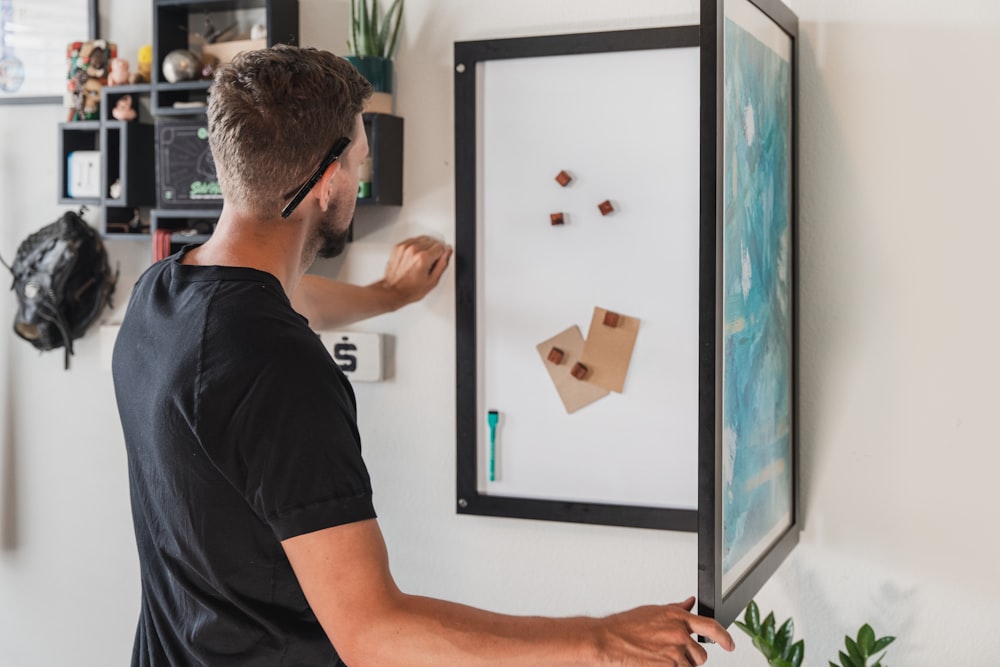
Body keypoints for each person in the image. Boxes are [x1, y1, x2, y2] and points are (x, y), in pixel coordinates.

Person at [112, 45, 735, 666]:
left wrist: (391, 295)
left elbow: (299, 303)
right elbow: (374, 633)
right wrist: (600, 640)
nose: (360, 174)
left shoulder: (165, 292)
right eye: (359, 160)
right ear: (327, 185)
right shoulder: (282, 370)